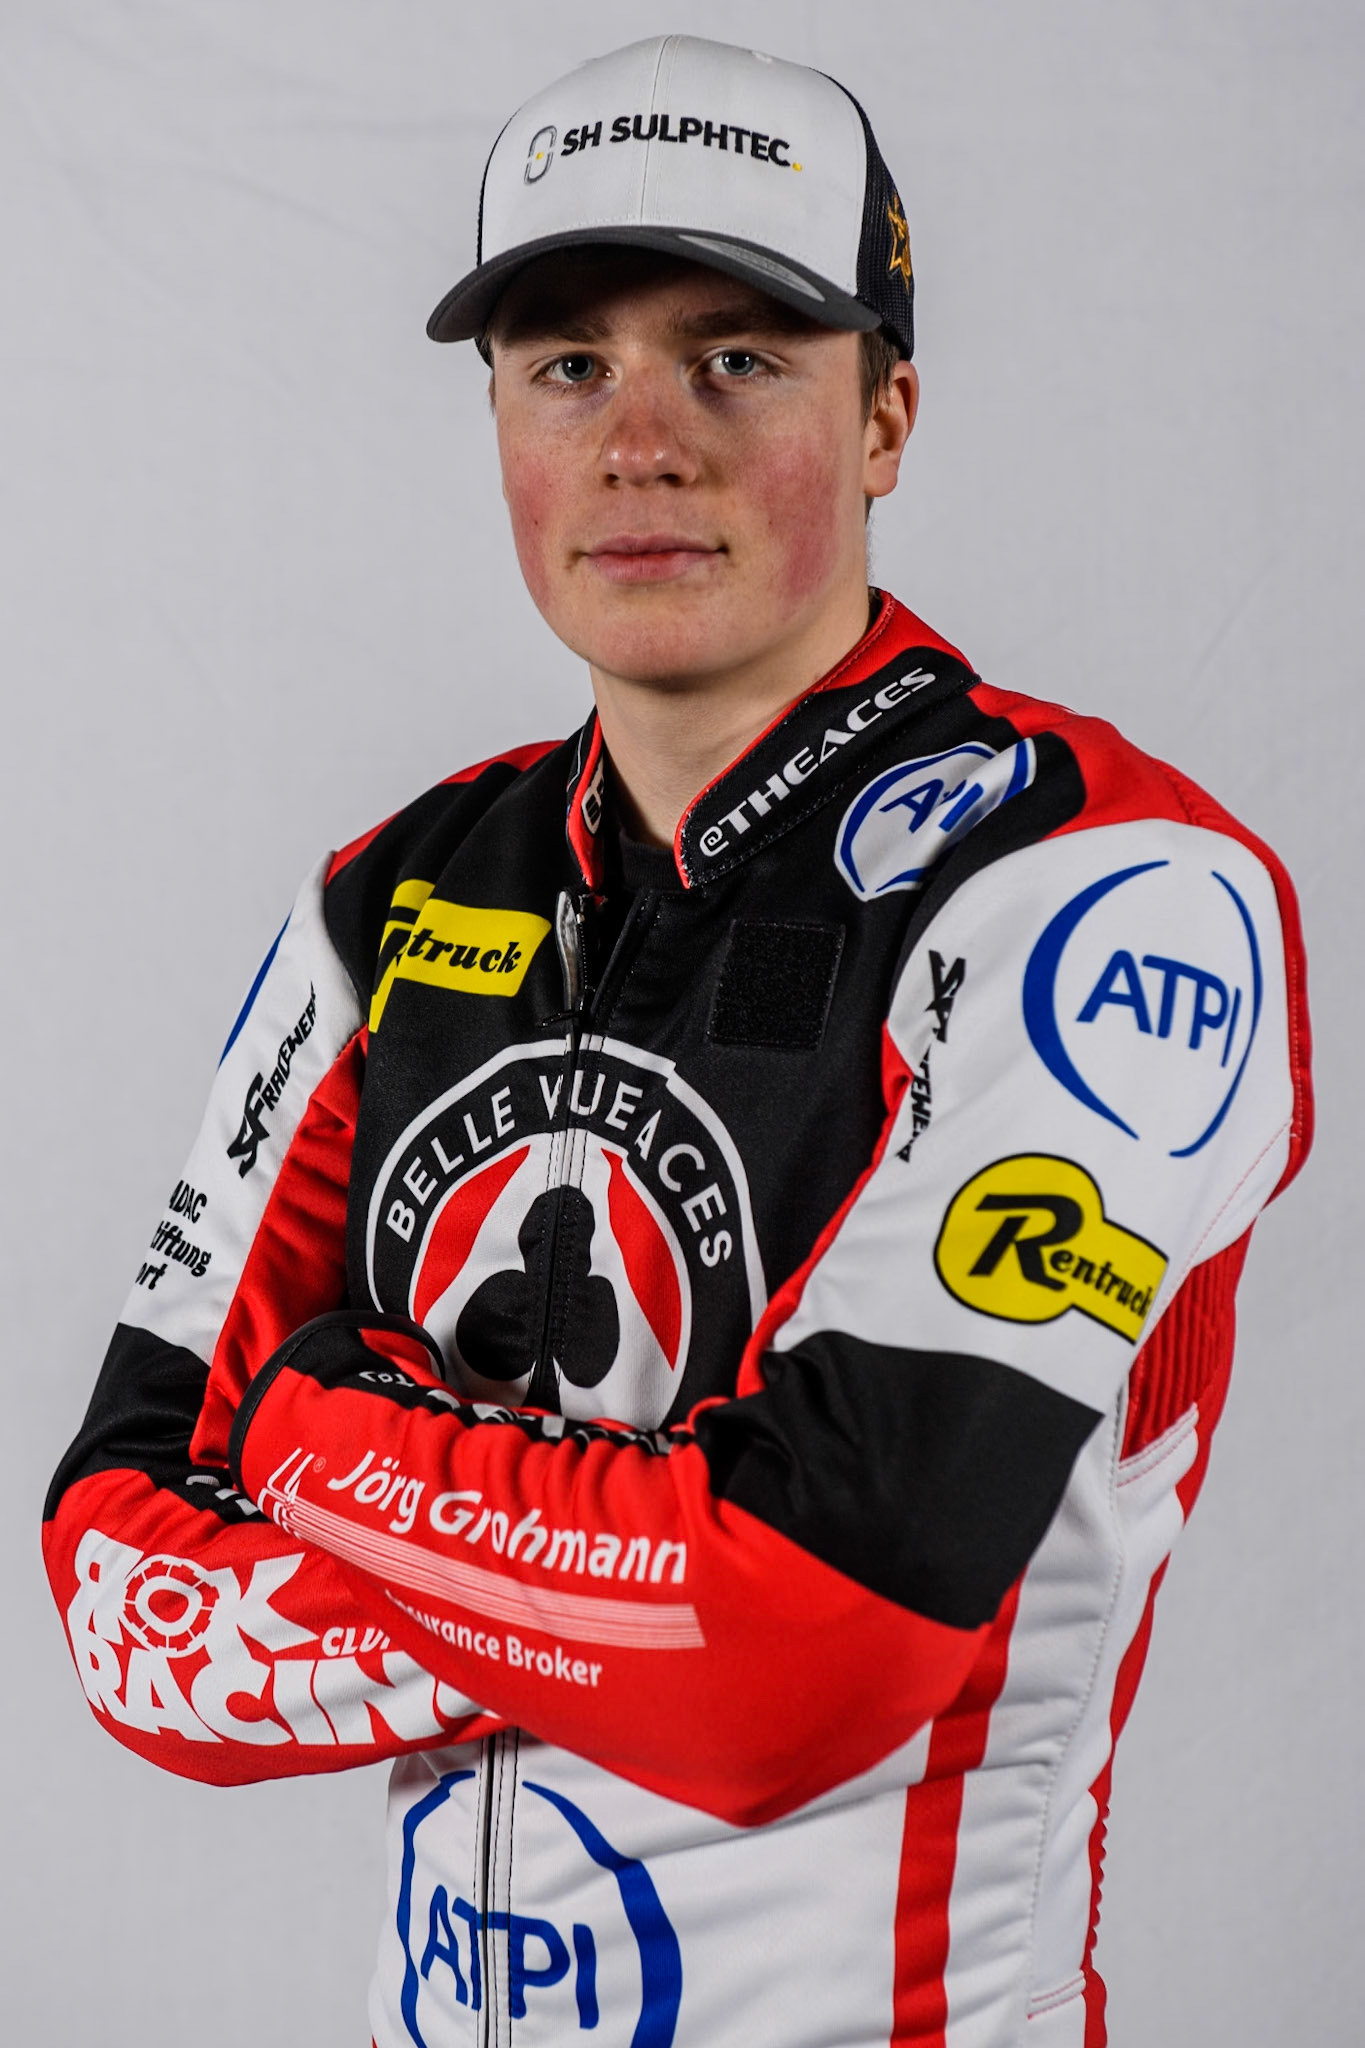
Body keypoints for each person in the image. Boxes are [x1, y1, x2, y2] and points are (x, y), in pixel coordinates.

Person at [43, 33, 1312, 2048]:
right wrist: (640, 1586)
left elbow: (809, 1644)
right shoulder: (386, 899)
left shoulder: (1104, 891)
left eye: (734, 359)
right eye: (567, 364)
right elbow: (118, 1595)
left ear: (884, 414)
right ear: (495, 418)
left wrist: (302, 1437)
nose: (641, 442)